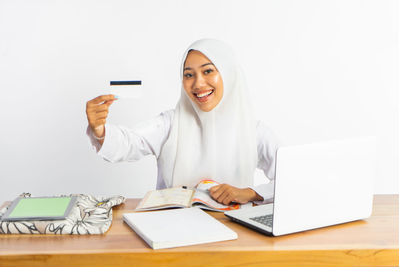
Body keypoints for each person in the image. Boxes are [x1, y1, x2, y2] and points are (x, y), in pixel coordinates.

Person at [86, 39, 280, 205]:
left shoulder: (254, 132)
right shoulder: (170, 124)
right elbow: (130, 143)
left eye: (208, 71)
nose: (198, 84)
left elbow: (291, 181)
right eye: (189, 74)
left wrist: (250, 193)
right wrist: (99, 129)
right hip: (173, 232)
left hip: (235, 234)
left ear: (228, 75)